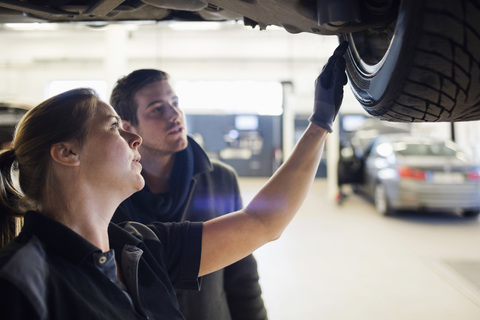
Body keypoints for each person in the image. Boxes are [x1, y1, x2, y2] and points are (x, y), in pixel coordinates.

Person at [0, 42, 348, 320]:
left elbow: (262, 222)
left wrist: (320, 124)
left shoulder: (140, 248)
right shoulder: (19, 282)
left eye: (175, 103)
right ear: (67, 153)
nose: (132, 140)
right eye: (112, 127)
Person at [109, 70, 266, 319]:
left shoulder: (220, 179)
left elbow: (242, 271)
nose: (175, 115)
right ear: (128, 127)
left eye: (175, 103)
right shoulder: (112, 193)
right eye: (157, 109)